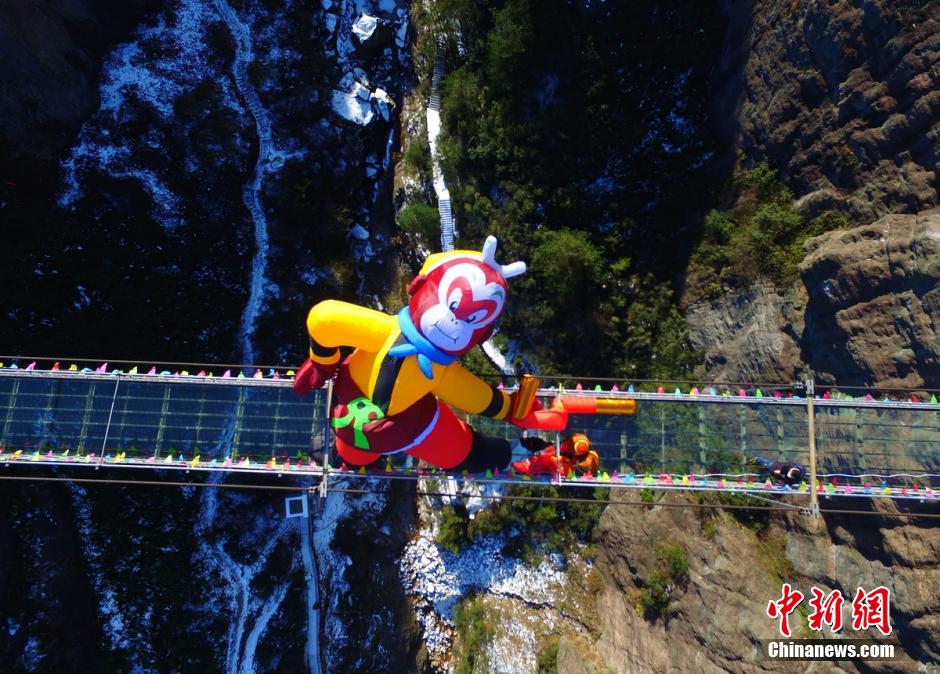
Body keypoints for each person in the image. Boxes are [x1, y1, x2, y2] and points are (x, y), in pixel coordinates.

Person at [512, 432, 600, 476]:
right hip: (547, 449)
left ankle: (513, 463)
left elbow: (556, 467)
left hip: (540, 458)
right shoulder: (573, 452)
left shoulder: (569, 467)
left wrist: (556, 460)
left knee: (525, 466)